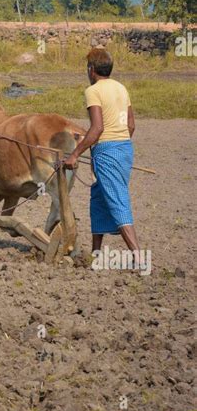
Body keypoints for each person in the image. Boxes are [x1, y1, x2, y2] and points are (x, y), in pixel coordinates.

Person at [62, 47, 141, 261]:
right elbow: (131, 124)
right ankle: (97, 253)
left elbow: (97, 129)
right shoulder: (121, 88)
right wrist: (118, 146)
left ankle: (139, 257)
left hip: (107, 151)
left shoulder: (93, 91)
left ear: (91, 69)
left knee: (117, 199)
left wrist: (75, 154)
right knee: (98, 198)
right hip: (124, 148)